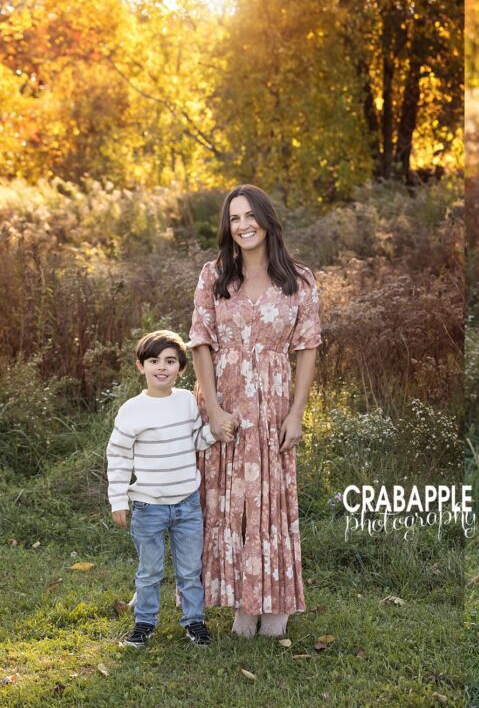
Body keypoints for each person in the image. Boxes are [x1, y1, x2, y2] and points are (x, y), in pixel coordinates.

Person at [189, 184, 321, 638]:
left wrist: (296, 414)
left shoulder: (299, 280)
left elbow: (307, 349)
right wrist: (212, 409)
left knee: (271, 499)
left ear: (266, 219)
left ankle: (276, 604)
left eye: (250, 216)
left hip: (273, 401)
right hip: (225, 399)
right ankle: (242, 607)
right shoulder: (213, 275)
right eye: (234, 218)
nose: (243, 225)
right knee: (228, 501)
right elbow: (201, 342)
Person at [106, 330, 216, 648]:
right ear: (141, 366)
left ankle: (194, 622)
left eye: (170, 361)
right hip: (148, 506)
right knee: (150, 570)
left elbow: (196, 440)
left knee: (190, 570)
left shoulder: (185, 402)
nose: (162, 367)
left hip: (187, 503)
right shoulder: (132, 410)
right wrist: (118, 500)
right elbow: (119, 456)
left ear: (182, 368)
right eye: (154, 361)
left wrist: (216, 432)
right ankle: (144, 623)